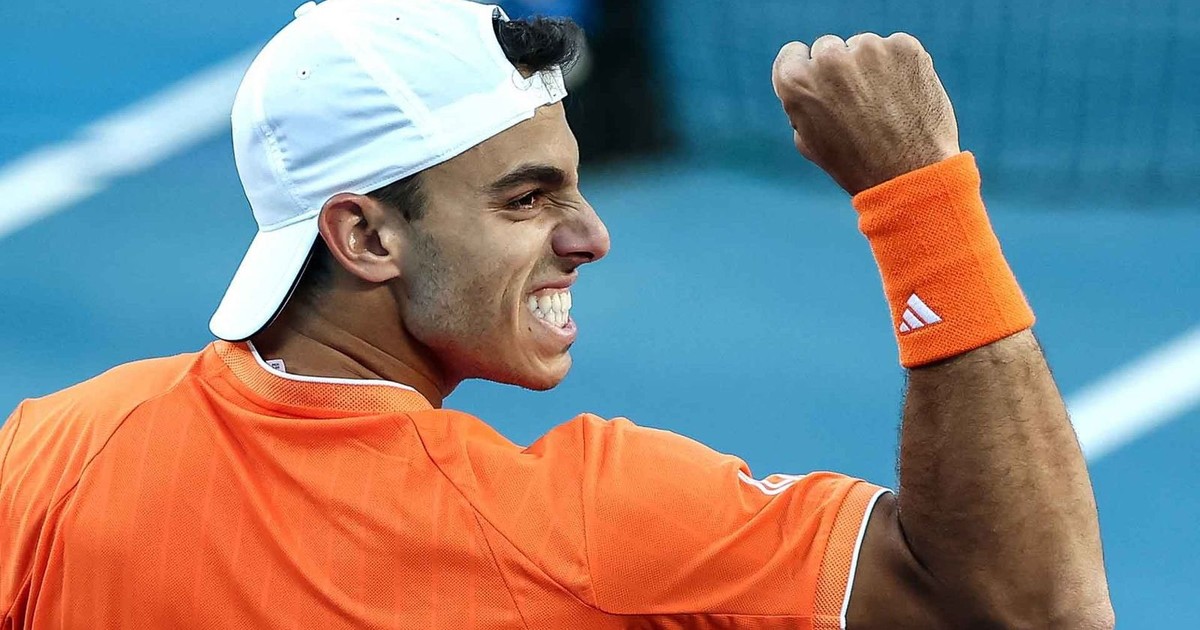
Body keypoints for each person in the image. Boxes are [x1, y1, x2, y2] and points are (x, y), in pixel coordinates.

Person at [0, 0, 1113, 628]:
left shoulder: (55, 453)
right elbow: (1031, 607)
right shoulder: (581, 527)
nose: (589, 236)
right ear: (366, 237)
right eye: (527, 199)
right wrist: (919, 198)